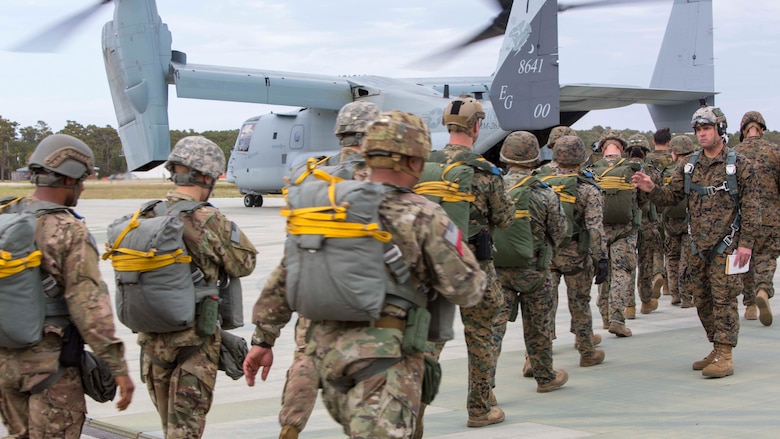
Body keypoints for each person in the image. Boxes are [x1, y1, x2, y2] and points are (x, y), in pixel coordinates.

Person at [243, 110, 486, 438]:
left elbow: (285, 276)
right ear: (414, 161)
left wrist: (262, 341)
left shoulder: (324, 203)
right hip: (384, 367)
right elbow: (468, 290)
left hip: (328, 363)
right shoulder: (425, 215)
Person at [0, 134, 134, 437]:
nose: (83, 186)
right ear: (68, 177)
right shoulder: (68, 229)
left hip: (5, 365)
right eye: (82, 178)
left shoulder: (7, 214)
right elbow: (89, 306)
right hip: (50, 369)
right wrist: (117, 368)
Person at [139, 136, 258, 437]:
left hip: (151, 342)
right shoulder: (209, 219)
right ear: (206, 176)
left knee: (170, 427)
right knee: (186, 431)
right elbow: (244, 264)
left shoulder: (145, 214)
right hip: (194, 342)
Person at [632, 106, 761, 377]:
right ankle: (716, 346)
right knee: (701, 299)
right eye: (698, 130)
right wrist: (651, 189)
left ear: (720, 131)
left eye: (707, 129)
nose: (702, 134)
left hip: (727, 246)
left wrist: (746, 243)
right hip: (697, 246)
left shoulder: (739, 164)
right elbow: (671, 198)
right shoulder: (689, 165)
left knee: (724, 299)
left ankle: (725, 354)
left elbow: (751, 207)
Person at [277, 100, 380, 439]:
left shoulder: (310, 173)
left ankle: (291, 423)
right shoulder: (377, 174)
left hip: (313, 284)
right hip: (362, 290)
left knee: (306, 355)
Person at [430, 96, 514, 427]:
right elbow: (505, 218)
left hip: (433, 264)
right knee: (482, 331)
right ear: (476, 126)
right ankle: (480, 408)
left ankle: (408, 409)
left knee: (429, 339)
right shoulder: (485, 172)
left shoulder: (426, 164)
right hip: (475, 265)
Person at [493, 131, 569, 393]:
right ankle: (545, 377)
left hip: (497, 271)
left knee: (493, 331)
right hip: (535, 272)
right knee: (539, 327)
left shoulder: (494, 188)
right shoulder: (544, 193)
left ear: (504, 157)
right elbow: (560, 232)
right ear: (535, 159)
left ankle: (484, 390)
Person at [535, 135, 608, 367]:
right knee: (579, 302)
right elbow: (595, 229)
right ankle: (587, 352)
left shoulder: (538, 182)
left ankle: (534, 358)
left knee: (544, 306)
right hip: (577, 255)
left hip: (546, 254)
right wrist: (601, 259)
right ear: (580, 159)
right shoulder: (588, 188)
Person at [590, 129, 648, 337]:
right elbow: (642, 199)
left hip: (600, 230)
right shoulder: (632, 168)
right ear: (622, 148)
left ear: (603, 147)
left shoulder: (592, 169)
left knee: (603, 271)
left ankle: (605, 315)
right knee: (622, 272)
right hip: (625, 230)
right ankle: (617, 318)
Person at [734, 111, 779, 326]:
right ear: (761, 128)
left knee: (746, 258)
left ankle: (750, 304)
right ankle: (763, 289)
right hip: (770, 216)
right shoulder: (775, 152)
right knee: (768, 257)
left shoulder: (734, 154)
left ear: (743, 130)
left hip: (744, 217)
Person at [626, 134, 664, 315]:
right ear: (645, 152)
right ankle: (646, 300)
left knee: (628, 265)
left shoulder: (623, 171)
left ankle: (629, 305)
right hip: (647, 223)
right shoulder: (653, 172)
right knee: (646, 264)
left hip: (627, 225)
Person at [660, 135, 696, 308]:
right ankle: (686, 295)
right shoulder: (694, 169)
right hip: (690, 220)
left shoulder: (667, 170)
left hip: (670, 220)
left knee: (672, 257)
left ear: (674, 152)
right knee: (686, 259)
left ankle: (674, 293)